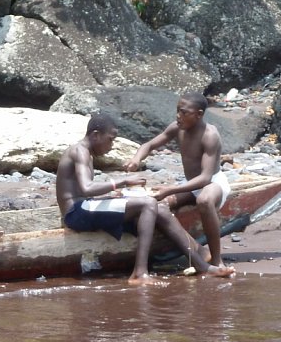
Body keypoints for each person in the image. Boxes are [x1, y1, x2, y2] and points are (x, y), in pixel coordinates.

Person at [56, 112, 235, 284]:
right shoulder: (80, 151)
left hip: (86, 207)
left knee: (161, 210)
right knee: (149, 203)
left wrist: (111, 196)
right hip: (76, 214)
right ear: (96, 135)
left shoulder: (86, 152)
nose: (111, 145)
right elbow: (86, 188)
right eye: (110, 139)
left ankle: (201, 264)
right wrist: (122, 182)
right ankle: (139, 273)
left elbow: (81, 190)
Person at [123, 92, 231, 268]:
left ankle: (217, 258)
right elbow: (149, 145)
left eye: (183, 112)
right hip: (192, 184)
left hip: (213, 184)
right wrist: (136, 159)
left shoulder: (210, 135)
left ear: (199, 114)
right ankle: (197, 249)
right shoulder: (177, 127)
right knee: (159, 205)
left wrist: (171, 189)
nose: (178, 116)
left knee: (204, 200)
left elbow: (205, 178)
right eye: (177, 111)